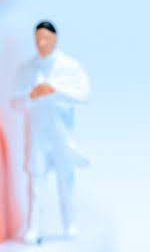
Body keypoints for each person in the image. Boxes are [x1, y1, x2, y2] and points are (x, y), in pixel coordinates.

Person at [11, 21, 90, 245]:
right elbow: (14, 102)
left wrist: (55, 90)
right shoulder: (26, 69)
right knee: (36, 183)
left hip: (61, 134)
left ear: (54, 39)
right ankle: (34, 227)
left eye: (45, 39)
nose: (41, 44)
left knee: (66, 182)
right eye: (37, 40)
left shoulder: (69, 66)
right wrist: (31, 95)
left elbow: (83, 95)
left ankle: (70, 224)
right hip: (37, 135)